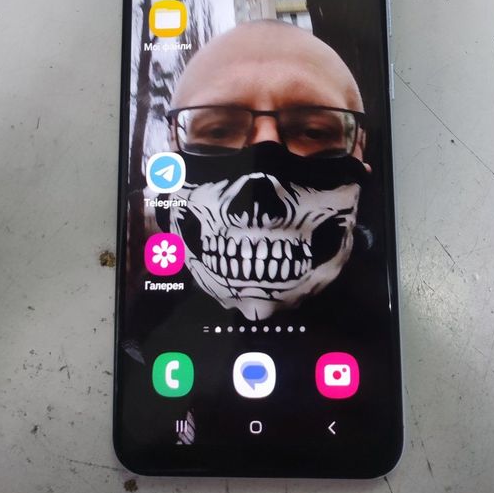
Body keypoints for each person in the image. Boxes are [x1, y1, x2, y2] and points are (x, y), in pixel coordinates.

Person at [159, 19, 371, 321]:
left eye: (313, 132)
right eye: (218, 131)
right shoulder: (142, 325)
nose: (257, 204)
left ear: (361, 159)